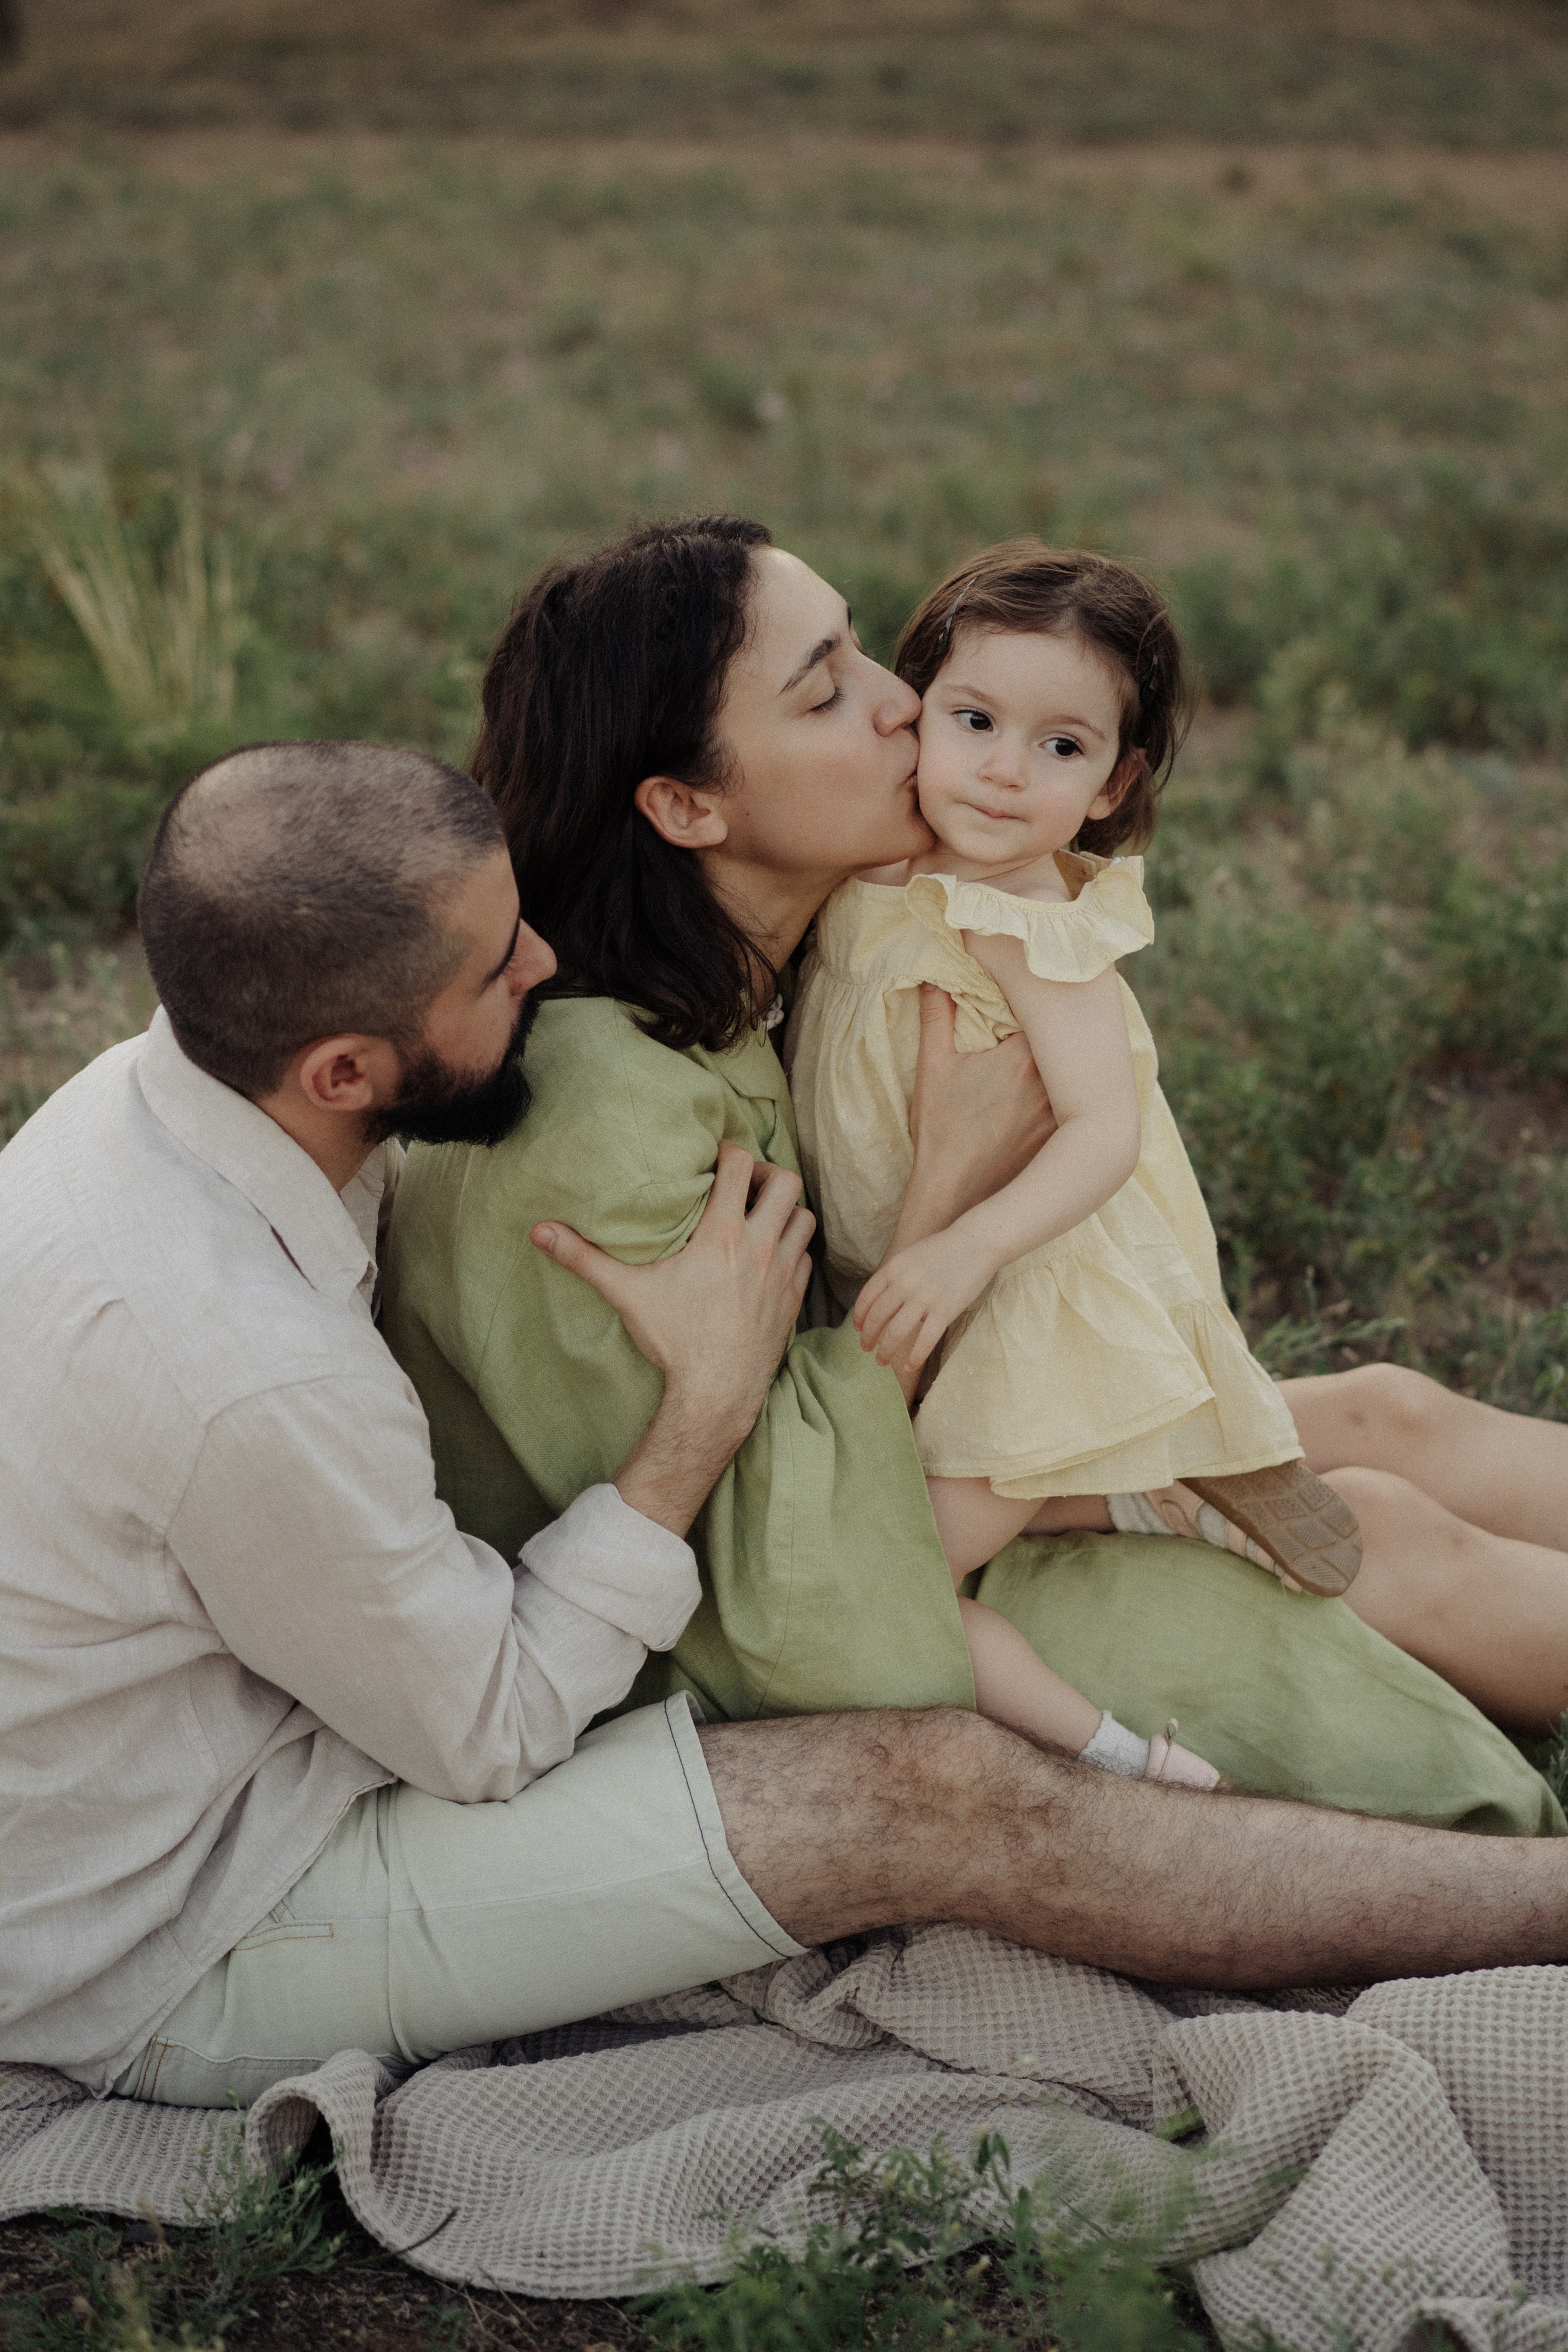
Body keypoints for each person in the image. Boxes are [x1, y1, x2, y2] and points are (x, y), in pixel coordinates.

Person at [9, 736, 1568, 2119]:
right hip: (188, 1915)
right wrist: (699, 1408)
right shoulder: (240, 1368)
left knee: (1349, 1421)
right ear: (344, 1070)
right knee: (933, 1791)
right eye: (493, 973)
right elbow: (484, 1729)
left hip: (314, 1666)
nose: (545, 964)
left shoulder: (184, 1094)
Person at [382, 516, 1565, 1832]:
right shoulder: (608, 1127)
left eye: (866, 651)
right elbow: (775, 1563)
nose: (903, 709)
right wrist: (945, 1190)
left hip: (945, 1399)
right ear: (684, 803)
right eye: (827, 689)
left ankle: (1182, 1489)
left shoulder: (786, 926)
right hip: (816, 1583)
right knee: (1377, 1530)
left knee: (1382, 1411)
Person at [786, 540, 1359, 1791]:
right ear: (913, 707)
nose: (1001, 771)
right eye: (976, 720)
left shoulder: (1031, 922)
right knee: (873, 1527)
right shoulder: (882, 861)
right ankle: (1149, 1491)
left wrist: (967, 1246)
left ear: (1113, 781)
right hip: (938, 1278)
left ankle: (1123, 1764)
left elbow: (1100, 1124)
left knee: (885, 1577)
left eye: (1061, 747)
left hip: (1029, 1307)